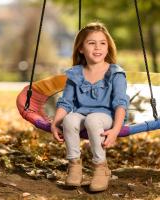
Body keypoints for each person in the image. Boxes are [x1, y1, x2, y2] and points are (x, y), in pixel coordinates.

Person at [51, 22, 129, 192]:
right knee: (70, 118)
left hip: (106, 116)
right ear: (81, 48)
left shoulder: (115, 73)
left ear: (108, 47)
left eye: (102, 43)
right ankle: (74, 165)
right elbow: (66, 102)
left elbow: (120, 103)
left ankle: (101, 168)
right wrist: (55, 123)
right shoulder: (75, 74)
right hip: (81, 114)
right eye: (91, 43)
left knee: (93, 119)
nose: (97, 47)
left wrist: (116, 129)